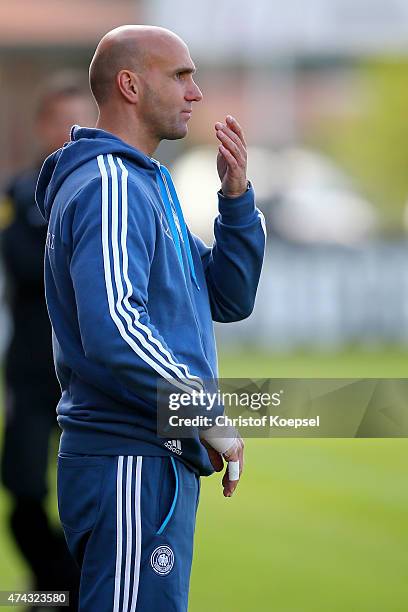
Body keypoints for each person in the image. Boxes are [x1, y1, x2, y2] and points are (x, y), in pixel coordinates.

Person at [35, 25, 265, 612]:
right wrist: (201, 410)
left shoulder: (144, 182)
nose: (197, 91)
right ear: (130, 85)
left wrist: (235, 202)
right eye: (181, 75)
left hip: (147, 461)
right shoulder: (112, 183)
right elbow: (116, 326)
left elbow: (227, 298)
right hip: (129, 462)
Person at [0, 75, 96, 610]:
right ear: (42, 126)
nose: (70, 133)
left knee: (87, 498)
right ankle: (53, 584)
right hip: (31, 376)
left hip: (91, 380)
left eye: (81, 122)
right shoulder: (16, 197)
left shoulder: (111, 197)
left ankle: (66, 593)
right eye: (62, 121)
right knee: (22, 491)